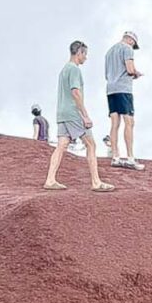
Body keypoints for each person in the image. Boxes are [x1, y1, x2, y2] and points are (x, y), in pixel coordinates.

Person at [43, 40, 113, 193]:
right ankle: (96, 182)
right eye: (85, 54)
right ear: (79, 53)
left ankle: (50, 179)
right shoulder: (74, 70)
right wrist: (85, 115)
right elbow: (75, 92)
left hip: (61, 113)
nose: (86, 58)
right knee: (91, 145)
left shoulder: (63, 70)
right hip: (73, 113)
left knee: (61, 145)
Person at [104, 30, 144, 170]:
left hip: (111, 89)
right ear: (131, 40)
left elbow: (106, 74)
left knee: (115, 123)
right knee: (129, 122)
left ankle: (115, 156)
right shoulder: (127, 49)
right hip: (123, 89)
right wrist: (136, 73)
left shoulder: (109, 52)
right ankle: (130, 157)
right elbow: (130, 68)